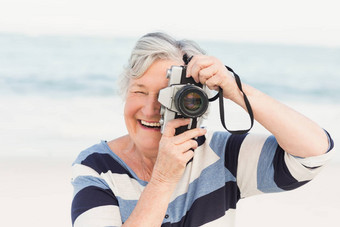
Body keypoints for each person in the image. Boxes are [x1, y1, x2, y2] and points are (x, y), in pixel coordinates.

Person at [71, 32, 334, 227]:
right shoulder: (97, 166)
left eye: (166, 95)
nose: (151, 109)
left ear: (194, 101)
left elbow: (313, 153)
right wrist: (163, 180)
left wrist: (234, 89)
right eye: (139, 91)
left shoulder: (221, 155)